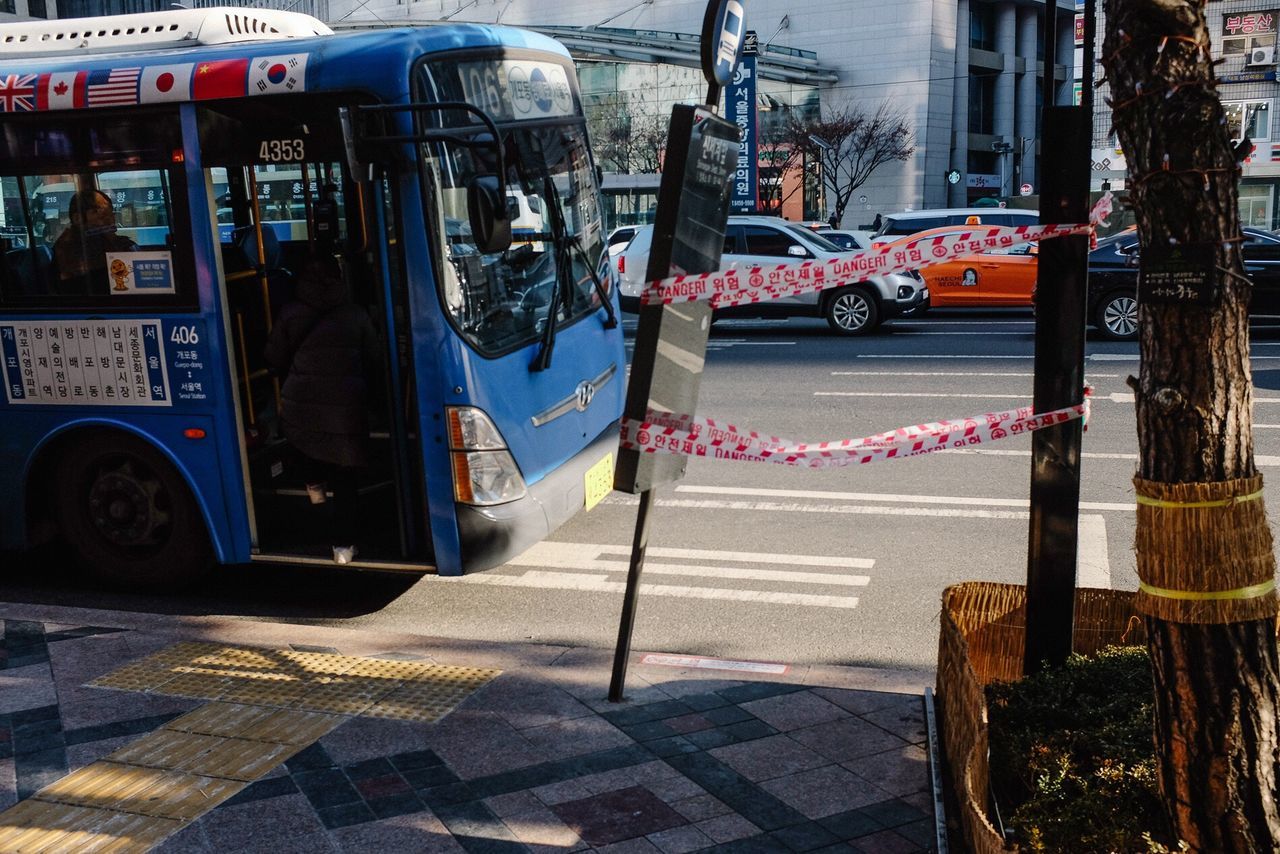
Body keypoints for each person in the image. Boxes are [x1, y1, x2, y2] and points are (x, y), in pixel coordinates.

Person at [264, 254, 379, 564]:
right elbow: (374, 360)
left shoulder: (289, 313)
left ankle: (314, 490)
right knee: (345, 476)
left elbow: (273, 359)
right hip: (346, 408)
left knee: (307, 446)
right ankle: (343, 547)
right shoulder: (355, 314)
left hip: (301, 405)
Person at [52, 189, 137, 295]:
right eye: (98, 212)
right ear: (78, 218)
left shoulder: (112, 241)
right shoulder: (71, 247)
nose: (108, 218)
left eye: (109, 212)